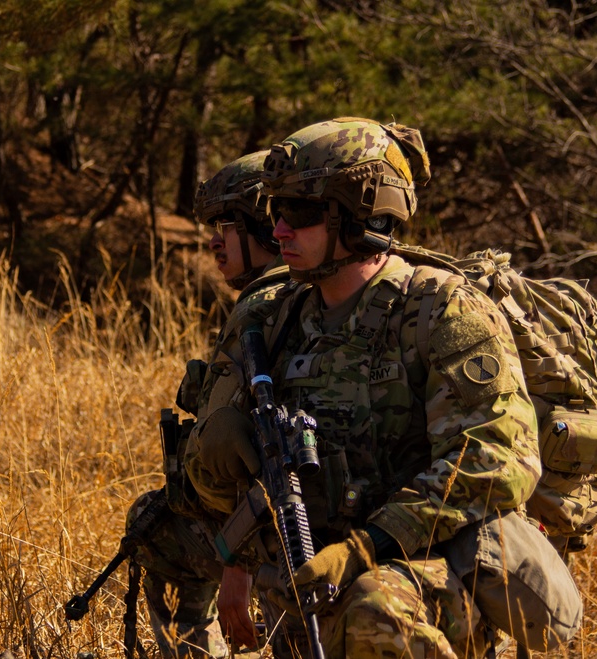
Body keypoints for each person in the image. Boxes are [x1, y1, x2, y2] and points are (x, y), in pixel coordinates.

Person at [181, 117, 542, 658]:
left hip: (428, 570)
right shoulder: (279, 320)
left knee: (372, 610)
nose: (278, 230)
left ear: (361, 216)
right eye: (275, 212)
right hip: (309, 578)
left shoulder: (441, 310)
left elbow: (497, 460)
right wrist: (216, 451)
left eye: (299, 214)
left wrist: (365, 548)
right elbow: (217, 493)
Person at [126, 151, 290, 658]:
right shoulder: (305, 292)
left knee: (152, 525)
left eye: (228, 224)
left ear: (263, 225)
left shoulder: (265, 306)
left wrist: (237, 565)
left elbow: (261, 458)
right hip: (281, 518)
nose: (214, 240)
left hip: (279, 527)